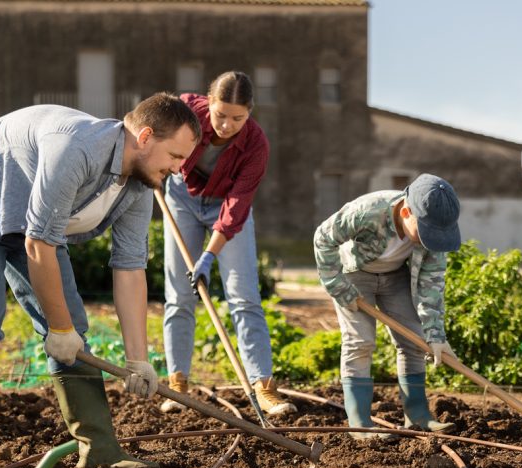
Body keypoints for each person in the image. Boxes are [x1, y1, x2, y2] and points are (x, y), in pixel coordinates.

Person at [0, 93, 200, 468]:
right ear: (144, 138)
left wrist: (137, 359)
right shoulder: (78, 150)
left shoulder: (140, 186)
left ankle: (101, 453)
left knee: (73, 325)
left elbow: (129, 267)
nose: (178, 169)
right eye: (175, 156)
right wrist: (57, 329)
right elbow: (39, 244)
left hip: (32, 215)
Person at [160, 71, 296, 416]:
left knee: (244, 297)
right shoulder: (186, 110)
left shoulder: (256, 145)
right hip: (182, 198)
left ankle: (263, 387)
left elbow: (236, 207)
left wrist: (208, 256)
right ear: (209, 102)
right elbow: (150, 130)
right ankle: (178, 385)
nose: (226, 125)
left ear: (250, 112)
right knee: (179, 295)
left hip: (227, 206)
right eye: (220, 115)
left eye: (238, 118)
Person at [313, 174, 461, 439]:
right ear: (406, 212)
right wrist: (339, 287)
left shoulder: (433, 233)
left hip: (395, 277)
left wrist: (435, 334)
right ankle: (360, 425)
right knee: (361, 341)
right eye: (425, 232)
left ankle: (418, 416)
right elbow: (323, 238)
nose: (430, 240)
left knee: (414, 340)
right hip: (355, 275)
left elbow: (431, 284)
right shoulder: (367, 211)